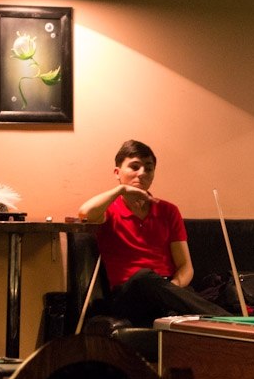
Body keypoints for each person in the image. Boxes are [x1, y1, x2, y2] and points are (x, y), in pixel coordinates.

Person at [79, 139, 229, 327]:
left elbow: (185, 266)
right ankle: (230, 322)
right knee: (144, 277)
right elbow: (85, 213)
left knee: (171, 292)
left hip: (167, 288)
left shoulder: (168, 211)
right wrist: (121, 190)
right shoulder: (109, 210)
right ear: (117, 172)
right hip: (129, 294)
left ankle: (223, 327)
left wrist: (170, 289)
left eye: (148, 169)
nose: (142, 173)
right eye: (134, 167)